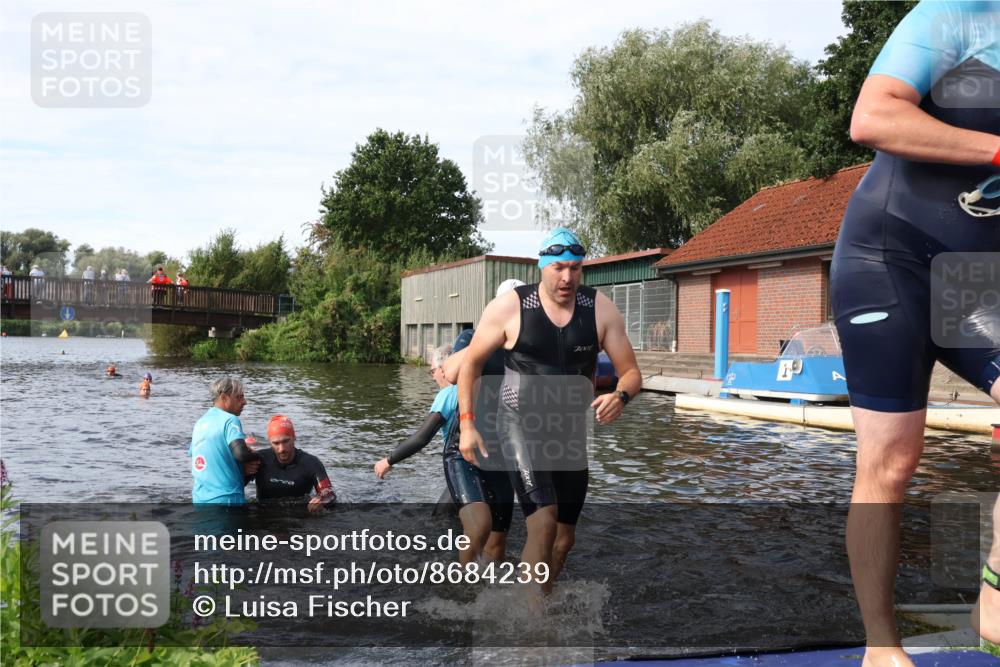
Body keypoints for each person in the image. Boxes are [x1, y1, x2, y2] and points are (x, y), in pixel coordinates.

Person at [830, 3, 1000, 664]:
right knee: (891, 460)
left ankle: (993, 593)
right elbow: (871, 116)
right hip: (890, 255)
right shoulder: (961, 12)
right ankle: (881, 645)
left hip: (974, 278)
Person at [457, 227, 642, 593]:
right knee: (543, 523)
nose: (567, 277)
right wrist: (467, 424)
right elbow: (470, 365)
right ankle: (533, 624)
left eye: (575, 268)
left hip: (568, 432)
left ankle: (542, 595)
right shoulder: (510, 306)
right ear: (541, 267)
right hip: (518, 425)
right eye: (558, 267)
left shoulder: (599, 309)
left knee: (564, 538)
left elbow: (632, 373)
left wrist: (620, 396)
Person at [375, 344, 512, 565]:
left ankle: (453, 568)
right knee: (488, 533)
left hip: (468, 459)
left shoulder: (448, 394)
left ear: (444, 368)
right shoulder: (490, 385)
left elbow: (422, 437)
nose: (433, 376)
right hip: (483, 459)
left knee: (444, 519)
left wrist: (389, 460)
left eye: (432, 371)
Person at [189, 377, 260, 505]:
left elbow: (207, 460)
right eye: (239, 397)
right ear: (224, 397)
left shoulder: (199, 423)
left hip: (200, 499)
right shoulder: (230, 420)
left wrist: (240, 470)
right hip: (227, 499)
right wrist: (259, 455)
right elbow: (241, 454)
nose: (245, 402)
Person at [248, 415, 336, 512]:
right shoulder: (259, 459)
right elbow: (235, 485)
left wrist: (322, 501)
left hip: (298, 518)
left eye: (285, 441)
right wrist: (243, 470)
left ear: (294, 437)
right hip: (264, 516)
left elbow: (329, 494)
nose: (281, 449)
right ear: (270, 442)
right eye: (276, 443)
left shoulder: (311, 463)